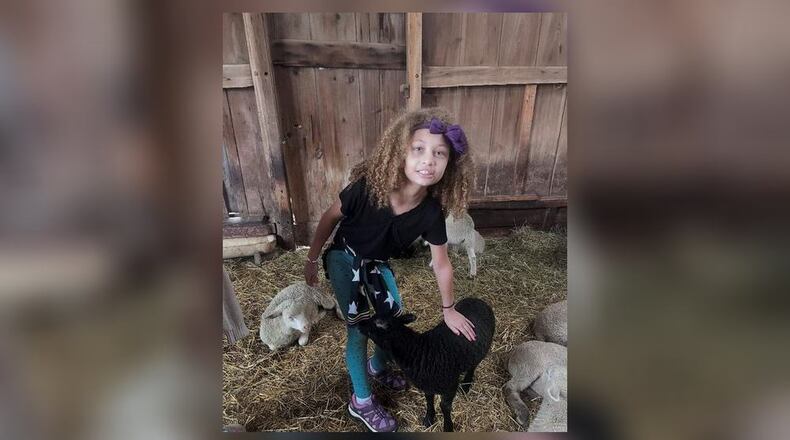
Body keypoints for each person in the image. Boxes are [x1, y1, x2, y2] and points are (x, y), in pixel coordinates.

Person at [303, 107, 477, 432]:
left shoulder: (430, 213)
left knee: (392, 317)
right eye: (419, 149)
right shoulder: (369, 189)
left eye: (440, 154)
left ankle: (378, 366)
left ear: (450, 165)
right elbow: (329, 218)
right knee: (361, 328)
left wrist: (449, 309)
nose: (429, 160)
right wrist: (312, 259)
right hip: (345, 258)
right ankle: (362, 402)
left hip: (376, 264)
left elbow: (441, 263)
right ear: (400, 152)